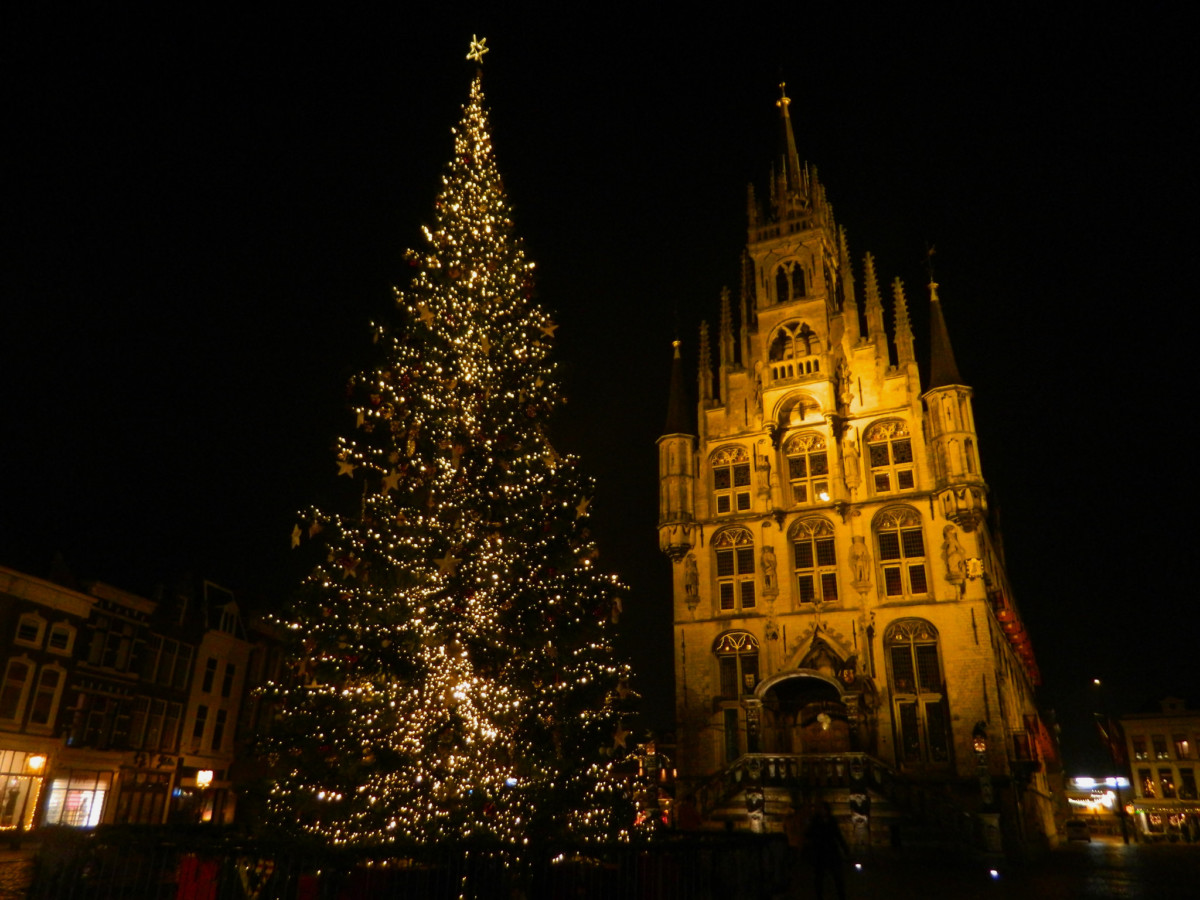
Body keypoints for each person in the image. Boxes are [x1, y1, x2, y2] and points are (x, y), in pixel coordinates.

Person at [806, 801, 849, 900]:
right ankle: (819, 896)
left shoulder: (832, 821)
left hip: (831, 851)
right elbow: (808, 835)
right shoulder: (815, 822)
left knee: (837, 877)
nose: (822, 811)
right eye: (821, 809)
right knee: (819, 878)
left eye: (823, 809)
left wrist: (845, 848)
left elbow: (838, 835)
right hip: (820, 852)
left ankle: (841, 896)